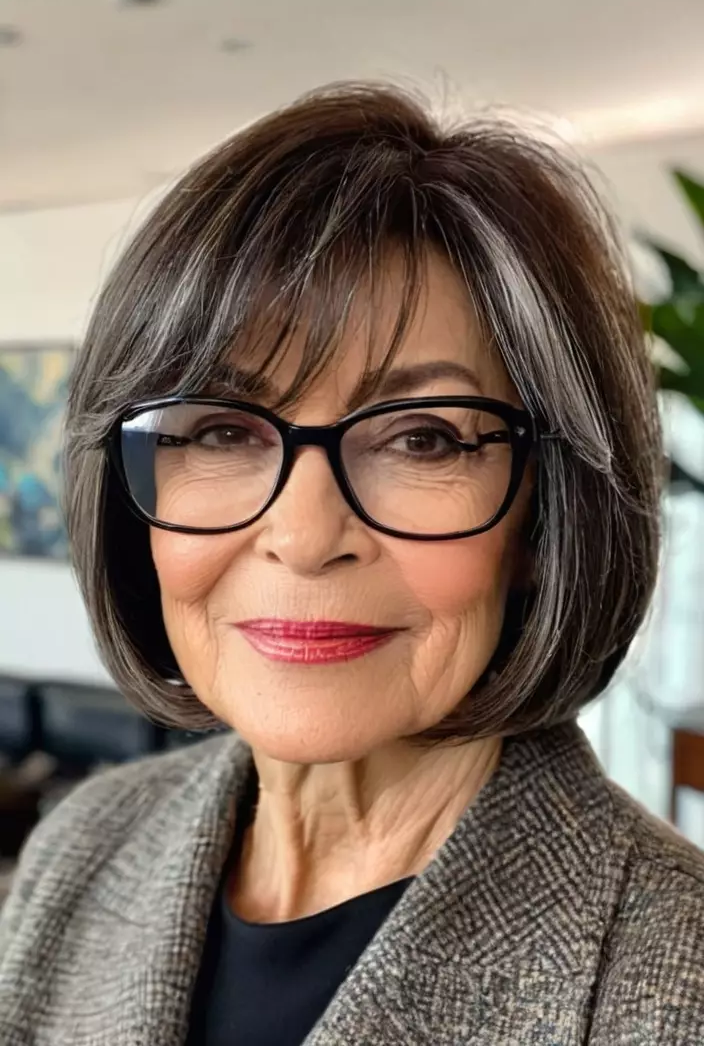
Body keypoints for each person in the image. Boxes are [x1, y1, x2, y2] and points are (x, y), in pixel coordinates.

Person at [1, 82, 703, 1046]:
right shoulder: (82, 848)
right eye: (218, 429)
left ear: (546, 517)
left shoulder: (676, 978)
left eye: (422, 439)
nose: (302, 533)